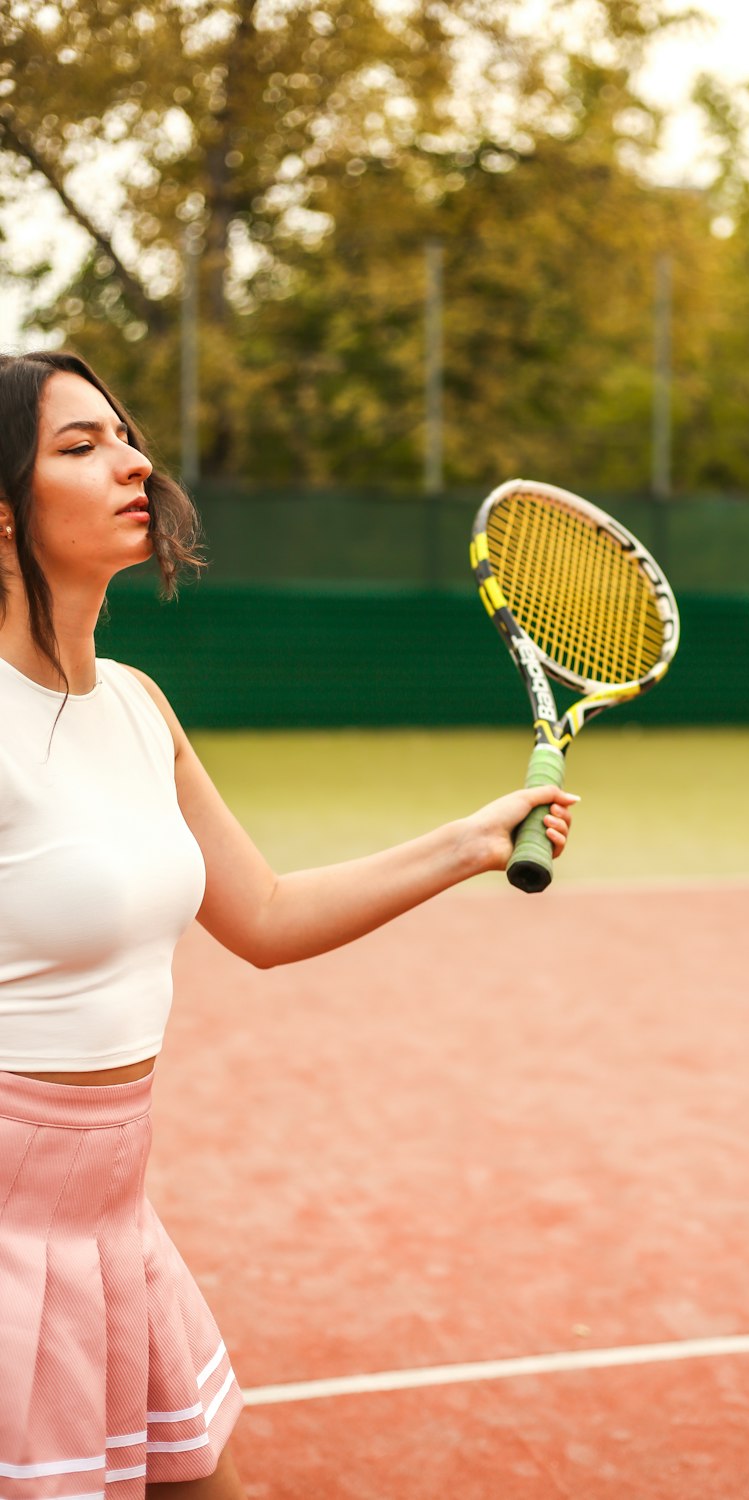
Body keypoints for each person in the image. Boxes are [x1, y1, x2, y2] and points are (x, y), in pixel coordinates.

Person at [0, 350, 577, 1500]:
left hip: (114, 1214)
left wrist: (467, 842)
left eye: (126, 435)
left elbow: (261, 915)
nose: (135, 463)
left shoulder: (136, 705)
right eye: (81, 446)